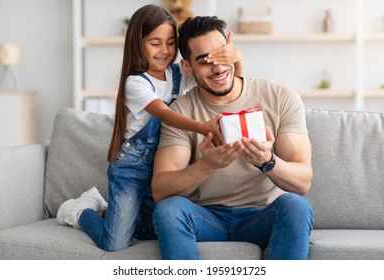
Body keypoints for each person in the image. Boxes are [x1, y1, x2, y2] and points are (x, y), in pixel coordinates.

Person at [56, 5, 242, 252]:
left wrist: (234, 56)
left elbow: (230, 79)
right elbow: (164, 113)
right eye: (155, 43)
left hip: (162, 168)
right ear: (138, 43)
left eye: (170, 42)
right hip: (131, 171)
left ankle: (114, 214)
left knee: (150, 232)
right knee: (115, 244)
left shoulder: (178, 73)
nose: (164, 51)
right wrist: (201, 127)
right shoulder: (135, 83)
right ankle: (82, 210)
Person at [151, 16, 314, 260]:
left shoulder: (280, 96)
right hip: (205, 218)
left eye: (221, 55)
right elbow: (160, 191)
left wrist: (267, 161)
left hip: (263, 216)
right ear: (187, 68)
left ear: (232, 50)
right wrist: (207, 166)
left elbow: (302, 182)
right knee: (169, 210)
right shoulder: (182, 113)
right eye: (205, 61)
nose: (217, 68)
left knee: (296, 206)